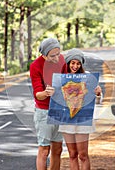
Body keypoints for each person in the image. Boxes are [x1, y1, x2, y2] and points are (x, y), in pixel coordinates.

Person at [58, 48, 102, 170]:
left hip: (82, 120)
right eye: (73, 63)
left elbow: (96, 101)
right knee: (72, 154)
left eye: (78, 63)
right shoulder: (61, 79)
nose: (75, 66)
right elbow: (57, 100)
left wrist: (98, 94)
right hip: (67, 120)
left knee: (83, 155)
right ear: (68, 63)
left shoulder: (87, 77)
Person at [30, 37, 67, 170]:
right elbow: (38, 94)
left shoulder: (62, 60)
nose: (57, 58)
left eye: (58, 53)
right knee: (44, 150)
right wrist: (46, 93)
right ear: (44, 56)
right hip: (44, 112)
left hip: (59, 110)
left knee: (57, 150)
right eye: (53, 56)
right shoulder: (35, 66)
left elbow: (71, 79)